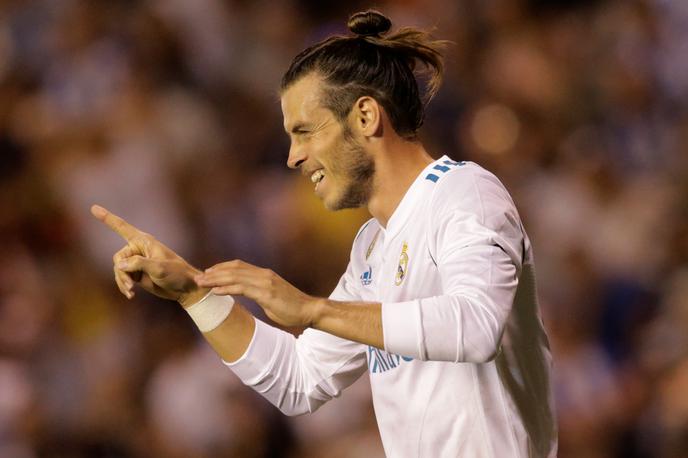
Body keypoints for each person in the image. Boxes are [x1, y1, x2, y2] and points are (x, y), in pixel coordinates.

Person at [92, 10, 557, 457]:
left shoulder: (465, 192)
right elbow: (299, 380)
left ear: (365, 116)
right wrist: (194, 295)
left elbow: (476, 327)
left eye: (305, 131)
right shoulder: (372, 249)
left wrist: (312, 309)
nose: (293, 156)